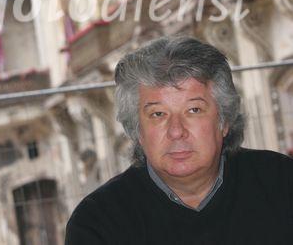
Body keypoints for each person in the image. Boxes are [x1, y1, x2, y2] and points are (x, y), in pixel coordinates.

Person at [65, 36, 293, 244]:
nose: (176, 131)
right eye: (158, 114)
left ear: (224, 121)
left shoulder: (282, 184)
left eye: (194, 110)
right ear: (137, 132)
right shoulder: (98, 222)